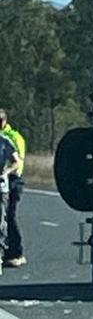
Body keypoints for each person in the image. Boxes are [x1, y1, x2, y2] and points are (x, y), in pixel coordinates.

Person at [0, 110, 25, 268]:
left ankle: (16, 252)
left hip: (12, 181)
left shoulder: (13, 137)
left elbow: (18, 161)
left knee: (9, 216)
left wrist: (6, 172)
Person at [0, 127, 18, 276]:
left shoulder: (5, 142)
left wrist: (6, 172)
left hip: (1, 187)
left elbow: (16, 161)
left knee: (1, 221)